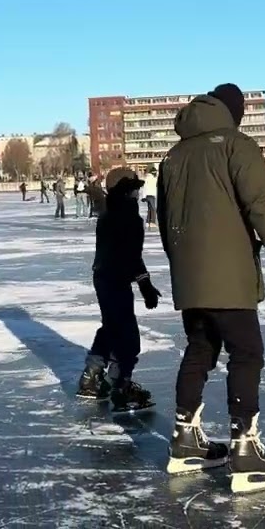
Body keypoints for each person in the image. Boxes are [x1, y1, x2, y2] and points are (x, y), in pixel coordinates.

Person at [157, 83, 265, 492]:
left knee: (200, 349)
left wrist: (184, 267)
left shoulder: (174, 156)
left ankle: (185, 440)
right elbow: (261, 206)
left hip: (190, 276)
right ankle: (245, 449)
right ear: (233, 112)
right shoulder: (236, 146)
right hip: (228, 276)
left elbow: (166, 222)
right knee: (247, 351)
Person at [75, 167, 162, 414]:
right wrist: (145, 284)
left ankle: (91, 377)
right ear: (127, 191)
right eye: (135, 188)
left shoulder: (109, 212)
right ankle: (120, 385)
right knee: (127, 336)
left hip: (104, 277)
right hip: (114, 279)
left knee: (112, 327)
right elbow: (132, 256)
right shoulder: (128, 217)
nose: (138, 192)